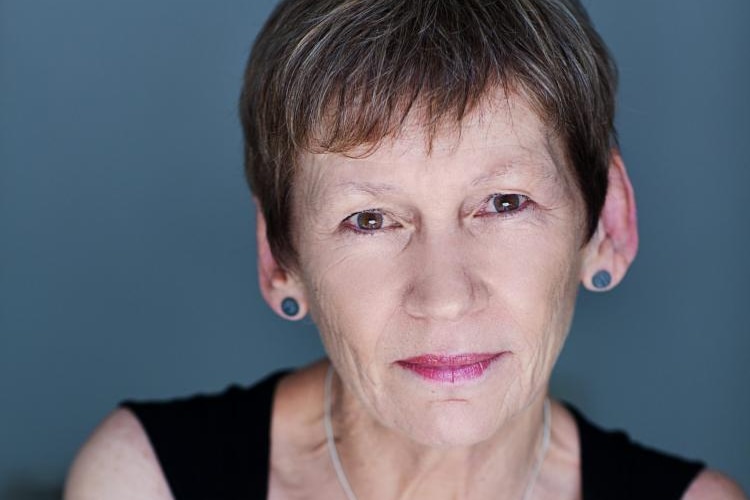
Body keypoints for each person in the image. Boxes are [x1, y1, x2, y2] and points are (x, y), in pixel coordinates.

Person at [64, 0, 746, 499]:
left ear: (608, 225)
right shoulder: (143, 479)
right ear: (279, 256)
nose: (444, 296)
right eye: (369, 219)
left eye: (503, 203)